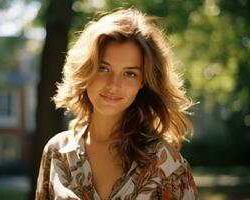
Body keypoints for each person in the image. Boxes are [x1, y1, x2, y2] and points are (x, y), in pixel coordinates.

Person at [35, 8, 198, 200]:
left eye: (130, 73)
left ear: (142, 82)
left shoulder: (167, 164)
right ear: (86, 69)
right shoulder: (57, 152)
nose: (114, 85)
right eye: (103, 68)